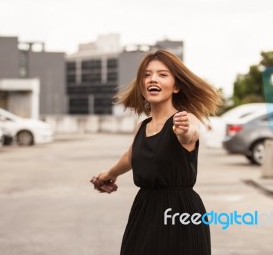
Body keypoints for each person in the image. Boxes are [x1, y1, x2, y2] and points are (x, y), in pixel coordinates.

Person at [93, 49, 222, 255]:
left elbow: (190, 134)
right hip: (144, 212)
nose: (153, 79)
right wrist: (110, 174)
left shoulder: (186, 119)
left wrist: (184, 131)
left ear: (176, 86)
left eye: (162, 74)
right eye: (147, 74)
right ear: (142, 85)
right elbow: (131, 156)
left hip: (180, 214)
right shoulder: (142, 127)